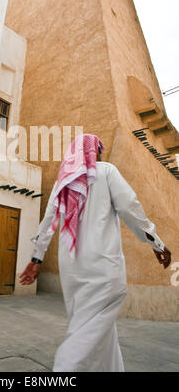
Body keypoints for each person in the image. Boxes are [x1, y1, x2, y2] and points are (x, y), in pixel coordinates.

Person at [19, 133, 171, 372]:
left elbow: (47, 224)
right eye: (99, 149)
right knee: (87, 335)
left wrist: (37, 259)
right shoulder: (106, 171)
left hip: (71, 272)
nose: (100, 154)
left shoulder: (63, 182)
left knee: (98, 330)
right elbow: (130, 207)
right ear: (95, 151)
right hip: (103, 267)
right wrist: (157, 243)